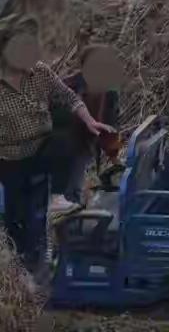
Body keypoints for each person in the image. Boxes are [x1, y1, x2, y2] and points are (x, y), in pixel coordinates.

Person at [0, 14, 114, 269]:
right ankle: (24, 266)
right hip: (10, 157)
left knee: (66, 142)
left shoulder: (40, 72)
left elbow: (69, 98)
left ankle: (58, 200)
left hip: (44, 148)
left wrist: (89, 121)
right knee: (17, 218)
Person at [56, 45, 123, 204]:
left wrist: (114, 156)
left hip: (82, 146)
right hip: (60, 143)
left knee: (73, 190)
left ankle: (70, 214)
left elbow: (110, 126)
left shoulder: (109, 92)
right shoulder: (68, 85)